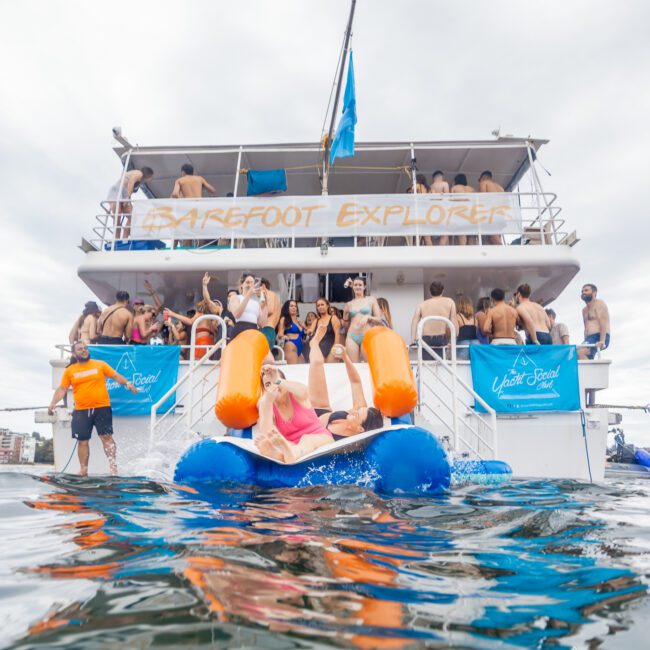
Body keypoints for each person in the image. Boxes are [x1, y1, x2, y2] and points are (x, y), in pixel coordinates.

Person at [47, 341, 137, 476]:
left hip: (102, 408)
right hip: (81, 411)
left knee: (107, 437)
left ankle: (113, 468)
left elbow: (115, 375)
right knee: (82, 441)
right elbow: (62, 388)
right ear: (74, 353)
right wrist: (53, 403)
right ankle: (83, 470)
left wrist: (127, 383)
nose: (84, 350)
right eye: (80, 349)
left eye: (85, 348)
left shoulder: (99, 364)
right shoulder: (70, 370)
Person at [308, 326, 384, 437]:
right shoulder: (359, 412)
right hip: (320, 409)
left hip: (309, 427)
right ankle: (314, 342)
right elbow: (355, 382)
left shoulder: (345, 443)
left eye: (356, 415)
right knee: (317, 361)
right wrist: (345, 357)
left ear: (360, 428)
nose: (353, 410)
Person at [255, 365, 333, 463]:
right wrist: (268, 403)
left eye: (274, 381)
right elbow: (266, 433)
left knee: (306, 439)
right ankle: (286, 454)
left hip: (320, 438)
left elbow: (304, 391)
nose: (273, 386)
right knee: (280, 442)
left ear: (283, 382)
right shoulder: (266, 403)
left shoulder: (296, 394)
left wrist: (277, 380)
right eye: (267, 384)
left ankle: (284, 456)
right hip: (291, 446)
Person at [164, 273, 223, 358]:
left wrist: (173, 314)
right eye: (213, 304)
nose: (213, 306)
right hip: (208, 344)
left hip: (206, 343)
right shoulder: (207, 318)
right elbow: (191, 321)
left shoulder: (208, 317)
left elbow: (190, 321)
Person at [410, 281, 458, 359]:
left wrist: (413, 341)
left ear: (430, 292)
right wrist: (453, 341)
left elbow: (414, 321)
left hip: (426, 339)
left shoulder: (422, 304)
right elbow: (454, 321)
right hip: (441, 339)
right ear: (442, 290)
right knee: (441, 367)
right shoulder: (450, 302)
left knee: (426, 367)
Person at [106, 166, 154, 240]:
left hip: (124, 194)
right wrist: (128, 198)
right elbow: (130, 183)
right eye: (151, 177)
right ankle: (116, 240)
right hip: (117, 192)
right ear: (148, 175)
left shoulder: (140, 181)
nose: (151, 179)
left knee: (133, 217)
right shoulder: (139, 173)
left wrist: (127, 198)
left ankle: (125, 238)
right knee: (117, 217)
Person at [342, 277, 383, 361]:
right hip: (351, 336)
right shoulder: (349, 303)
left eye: (360, 285)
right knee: (353, 366)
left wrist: (368, 316)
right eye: (355, 285)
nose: (357, 287)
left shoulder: (371, 299)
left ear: (364, 287)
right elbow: (345, 325)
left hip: (366, 334)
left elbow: (379, 319)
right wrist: (345, 315)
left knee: (368, 365)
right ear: (353, 287)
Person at [227, 273, 268, 341]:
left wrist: (266, 302)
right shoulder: (235, 297)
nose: (250, 285)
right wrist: (248, 295)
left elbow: (262, 323)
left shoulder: (256, 303)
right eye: (247, 282)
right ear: (241, 285)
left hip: (253, 331)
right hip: (240, 330)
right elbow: (237, 314)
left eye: (252, 283)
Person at [578, 283, 610, 360]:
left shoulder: (599, 303)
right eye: (582, 291)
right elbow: (586, 328)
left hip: (599, 336)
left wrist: (602, 340)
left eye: (586, 290)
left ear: (594, 293)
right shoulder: (584, 310)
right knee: (576, 354)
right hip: (589, 339)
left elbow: (603, 323)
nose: (583, 293)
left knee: (579, 352)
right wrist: (585, 341)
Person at [306, 298, 341, 362]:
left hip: (331, 349)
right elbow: (309, 331)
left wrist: (335, 348)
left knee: (330, 370)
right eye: (318, 305)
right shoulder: (316, 320)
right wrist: (308, 331)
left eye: (322, 305)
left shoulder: (333, 318)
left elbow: (337, 335)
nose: (320, 307)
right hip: (318, 349)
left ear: (327, 306)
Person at [478, 170, 505, 245]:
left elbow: (481, 199)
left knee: (493, 237)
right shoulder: (500, 187)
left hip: (491, 213)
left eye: (479, 179)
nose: (479, 182)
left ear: (483, 177)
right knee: (496, 237)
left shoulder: (484, 183)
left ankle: (504, 253)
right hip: (501, 214)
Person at [449, 173, 475, 246]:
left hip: (460, 212)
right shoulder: (471, 189)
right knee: (471, 235)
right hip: (471, 212)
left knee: (461, 234)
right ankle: (473, 253)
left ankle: (463, 252)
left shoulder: (455, 188)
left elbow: (450, 201)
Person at [278, 300, 306, 364]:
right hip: (291, 345)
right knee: (293, 370)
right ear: (287, 308)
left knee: (303, 371)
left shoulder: (299, 322)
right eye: (291, 306)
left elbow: (308, 333)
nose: (294, 307)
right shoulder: (284, 319)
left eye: (295, 306)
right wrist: (283, 336)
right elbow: (280, 334)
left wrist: (305, 327)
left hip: (300, 348)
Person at [259, 278, 281, 352]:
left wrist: (256, 311)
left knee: (263, 357)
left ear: (263, 286)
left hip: (266, 329)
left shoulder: (269, 293)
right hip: (270, 330)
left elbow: (270, 310)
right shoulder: (275, 297)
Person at [455, 295, 479, 360]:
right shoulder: (474, 318)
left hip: (463, 342)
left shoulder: (457, 317)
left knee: (460, 363)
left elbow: (456, 333)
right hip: (475, 342)